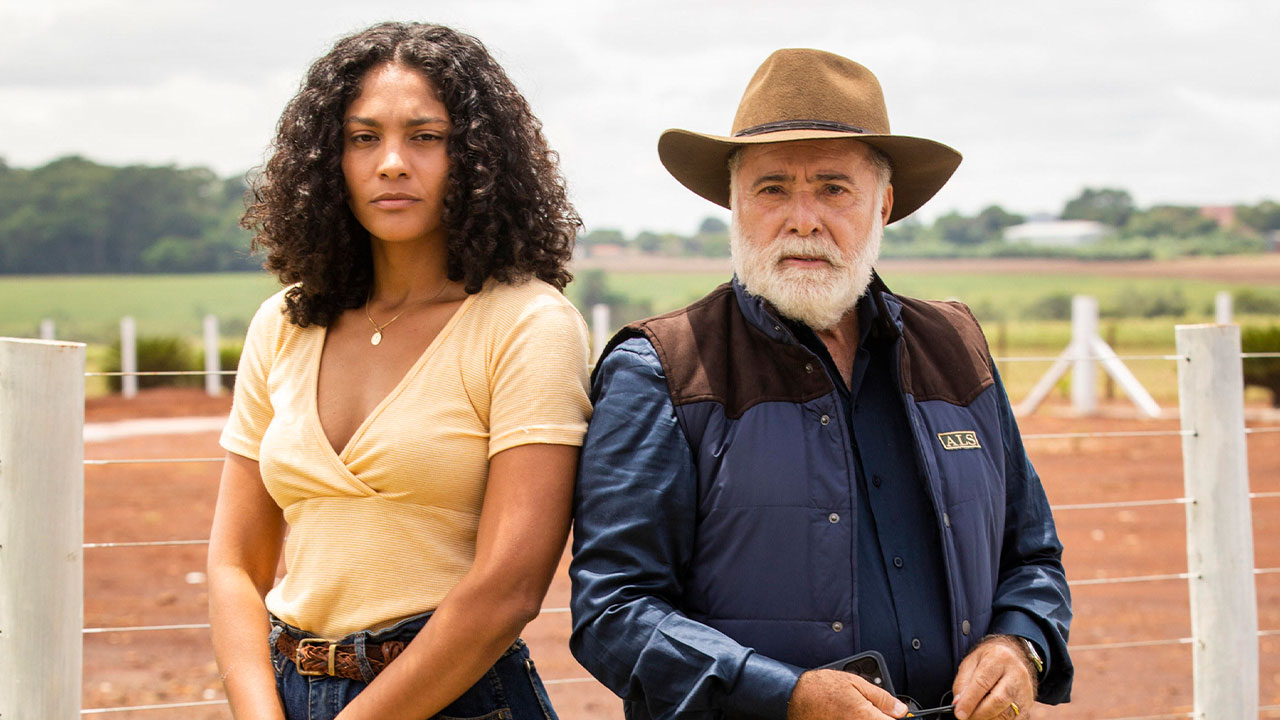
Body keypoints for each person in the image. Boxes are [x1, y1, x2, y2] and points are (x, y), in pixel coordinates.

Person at [569, 49, 1071, 720]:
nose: (803, 218)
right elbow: (614, 611)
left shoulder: (955, 347)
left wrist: (1021, 645)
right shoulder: (661, 369)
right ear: (735, 204)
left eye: (834, 188)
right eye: (771, 188)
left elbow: (1031, 555)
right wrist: (788, 696)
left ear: (884, 204)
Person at [207, 22, 591, 720]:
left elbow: (509, 587)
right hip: (286, 691)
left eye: (425, 136)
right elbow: (235, 563)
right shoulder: (284, 324)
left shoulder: (528, 323)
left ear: (477, 156)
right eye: (363, 138)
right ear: (328, 161)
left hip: (454, 698)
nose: (390, 162)